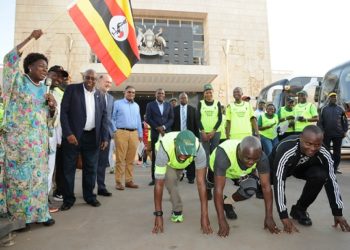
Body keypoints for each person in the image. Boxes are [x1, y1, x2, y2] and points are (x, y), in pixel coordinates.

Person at [0, 29, 56, 226]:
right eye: (40, 66)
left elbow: (49, 120)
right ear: (29, 67)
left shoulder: (45, 90)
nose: (44, 69)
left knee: (39, 180)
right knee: (19, 182)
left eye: (46, 67)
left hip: (38, 145)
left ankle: (41, 214)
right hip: (18, 144)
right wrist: (30, 39)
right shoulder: (18, 81)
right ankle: (19, 219)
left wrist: (52, 107)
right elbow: (8, 60)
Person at [269, 125, 350, 233]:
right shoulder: (287, 149)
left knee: (321, 175)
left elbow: (332, 180)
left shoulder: (324, 152)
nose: (312, 149)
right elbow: (279, 181)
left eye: (317, 145)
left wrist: (338, 212)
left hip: (301, 168)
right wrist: (283, 215)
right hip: (277, 167)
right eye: (308, 144)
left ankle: (299, 210)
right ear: (301, 138)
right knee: (266, 183)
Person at [208, 136, 279, 237]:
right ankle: (213, 195)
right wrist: (221, 220)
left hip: (239, 172)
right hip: (217, 168)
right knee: (209, 193)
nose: (251, 162)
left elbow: (266, 187)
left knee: (249, 189)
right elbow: (218, 190)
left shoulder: (261, 158)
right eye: (248, 158)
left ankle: (227, 202)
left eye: (255, 159)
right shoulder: (223, 155)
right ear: (239, 152)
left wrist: (269, 216)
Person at [60, 69, 109, 211]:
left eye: (93, 79)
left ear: (97, 80)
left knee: (91, 169)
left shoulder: (100, 95)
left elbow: (104, 118)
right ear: (83, 77)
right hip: (73, 137)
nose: (90, 81)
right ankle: (68, 199)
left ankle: (89, 196)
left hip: (92, 137)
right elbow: (64, 112)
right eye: (87, 77)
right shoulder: (72, 89)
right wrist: (68, 133)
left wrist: (104, 137)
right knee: (68, 169)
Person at [152, 130, 212, 234]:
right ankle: (177, 210)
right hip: (168, 160)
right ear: (175, 144)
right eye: (182, 152)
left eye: (187, 154)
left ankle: (174, 196)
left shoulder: (198, 150)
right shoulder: (164, 149)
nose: (184, 156)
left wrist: (204, 216)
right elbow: (158, 185)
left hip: (178, 163)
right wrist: (158, 215)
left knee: (174, 180)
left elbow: (201, 183)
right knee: (171, 182)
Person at [46, 65, 69, 213]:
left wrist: (59, 138)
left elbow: (59, 117)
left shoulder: (59, 93)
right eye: (56, 75)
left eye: (61, 77)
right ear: (48, 73)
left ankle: (45, 200)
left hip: (54, 136)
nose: (58, 79)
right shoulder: (41, 88)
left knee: (49, 169)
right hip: (37, 137)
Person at [111, 85, 142, 190]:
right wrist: (115, 131)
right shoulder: (118, 103)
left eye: (133, 92)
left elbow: (138, 120)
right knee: (120, 158)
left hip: (134, 133)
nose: (131, 94)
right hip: (121, 132)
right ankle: (118, 182)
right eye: (129, 92)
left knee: (131, 159)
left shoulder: (136, 106)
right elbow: (112, 118)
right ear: (124, 92)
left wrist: (140, 134)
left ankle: (129, 181)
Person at [197, 83, 222, 199]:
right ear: (204, 94)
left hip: (215, 133)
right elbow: (198, 118)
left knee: (214, 158)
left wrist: (213, 131)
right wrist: (202, 131)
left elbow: (220, 119)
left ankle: (213, 182)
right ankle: (207, 187)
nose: (209, 93)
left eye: (210, 91)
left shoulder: (217, 103)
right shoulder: (200, 103)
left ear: (213, 92)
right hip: (204, 134)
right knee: (205, 158)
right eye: (206, 92)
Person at [146, 88, 174, 186]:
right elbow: (148, 118)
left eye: (162, 93)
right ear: (155, 94)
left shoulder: (168, 105)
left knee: (167, 156)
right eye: (159, 93)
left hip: (166, 134)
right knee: (155, 156)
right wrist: (157, 128)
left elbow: (171, 119)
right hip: (155, 133)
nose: (161, 94)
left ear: (164, 95)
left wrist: (164, 127)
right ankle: (154, 178)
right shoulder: (150, 105)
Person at [318, 92, 348, 174]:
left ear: (336, 98)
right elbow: (320, 122)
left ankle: (335, 168)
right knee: (326, 151)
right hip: (327, 134)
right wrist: (321, 131)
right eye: (331, 97)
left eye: (334, 97)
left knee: (337, 152)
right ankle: (327, 166)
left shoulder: (340, 109)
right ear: (329, 98)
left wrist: (345, 131)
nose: (333, 98)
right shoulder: (324, 109)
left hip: (338, 134)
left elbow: (344, 121)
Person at [172, 92, 199, 183]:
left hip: (189, 137)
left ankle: (191, 177)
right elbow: (172, 124)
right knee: (178, 157)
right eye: (182, 98)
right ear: (179, 99)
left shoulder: (192, 109)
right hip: (178, 136)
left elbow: (196, 124)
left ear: (187, 99)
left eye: (185, 98)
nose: (183, 99)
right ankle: (179, 175)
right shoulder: (174, 110)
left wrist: (197, 138)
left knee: (190, 157)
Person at [96, 74, 114, 196]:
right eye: (106, 81)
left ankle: (101, 187)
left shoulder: (111, 98)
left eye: (110, 83)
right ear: (99, 81)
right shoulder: (92, 94)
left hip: (105, 135)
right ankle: (89, 189)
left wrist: (111, 133)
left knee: (102, 162)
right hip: (93, 134)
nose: (108, 84)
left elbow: (109, 118)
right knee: (91, 163)